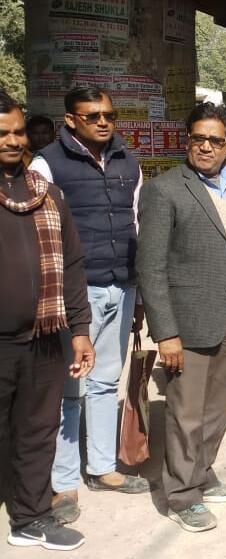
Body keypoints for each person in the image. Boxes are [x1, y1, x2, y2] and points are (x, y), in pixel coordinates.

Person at [137, 102, 226, 533]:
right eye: (198, 138)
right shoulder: (165, 191)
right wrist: (166, 333)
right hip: (189, 322)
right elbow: (151, 268)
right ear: (187, 141)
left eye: (215, 140)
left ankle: (201, 474)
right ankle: (181, 495)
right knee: (186, 412)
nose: (206, 147)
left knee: (218, 408)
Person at [32, 87, 148, 525]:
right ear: (70, 120)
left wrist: (139, 288)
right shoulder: (47, 165)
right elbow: (41, 234)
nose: (103, 122)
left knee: (105, 382)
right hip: (75, 293)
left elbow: (136, 222)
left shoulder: (128, 161)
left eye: (108, 115)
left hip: (122, 284)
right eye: (92, 115)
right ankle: (64, 483)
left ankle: (102, 468)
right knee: (69, 389)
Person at [0, 89, 94, 550]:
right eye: (3, 133)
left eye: (19, 132)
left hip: (43, 338)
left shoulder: (48, 195)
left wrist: (80, 330)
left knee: (37, 432)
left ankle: (31, 517)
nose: (13, 141)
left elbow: (72, 265)